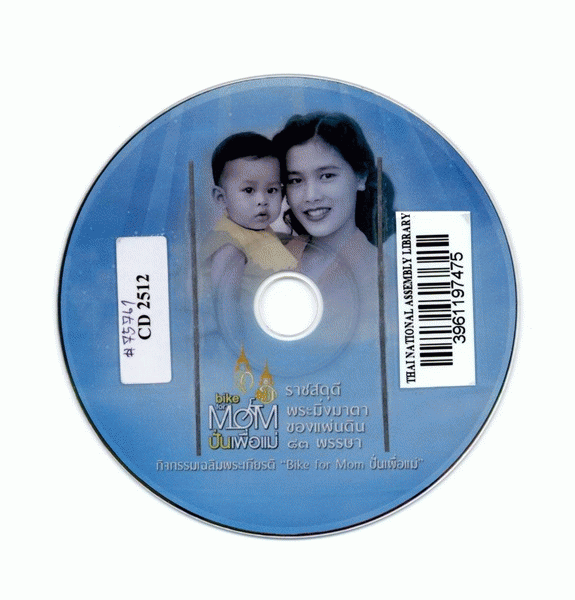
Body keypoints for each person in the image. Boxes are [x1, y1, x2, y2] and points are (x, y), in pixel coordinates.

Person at [272, 112, 389, 336]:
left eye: (326, 176)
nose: (311, 195)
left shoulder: (384, 274)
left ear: (361, 176)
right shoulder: (269, 253)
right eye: (295, 180)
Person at [206, 132, 297, 289]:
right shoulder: (230, 250)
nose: (262, 200)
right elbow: (224, 302)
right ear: (221, 197)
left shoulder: (256, 231)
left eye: (271, 190)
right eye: (249, 190)